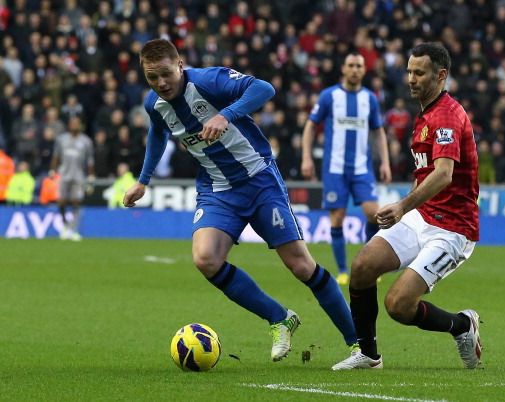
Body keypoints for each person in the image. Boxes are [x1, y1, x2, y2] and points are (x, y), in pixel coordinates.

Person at [123, 39, 357, 364]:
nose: (161, 84)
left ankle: (358, 344)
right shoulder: (155, 104)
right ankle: (280, 318)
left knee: (302, 266)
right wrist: (143, 180)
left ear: (179, 65)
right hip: (217, 189)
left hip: (259, 179)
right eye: (152, 77)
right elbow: (158, 132)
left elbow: (265, 88)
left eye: (165, 74)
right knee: (206, 259)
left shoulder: (208, 81)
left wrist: (226, 115)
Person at [332, 43, 481, 370]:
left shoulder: (447, 115)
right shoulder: (425, 113)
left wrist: (401, 206)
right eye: (409, 71)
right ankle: (369, 355)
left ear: (440, 75)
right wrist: (407, 209)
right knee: (362, 267)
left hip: (453, 229)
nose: (411, 79)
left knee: (398, 305)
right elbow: (426, 175)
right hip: (423, 217)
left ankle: (462, 325)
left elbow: (443, 175)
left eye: (419, 72)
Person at [301, 52, 391, 285]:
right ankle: (342, 270)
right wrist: (306, 158)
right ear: (343, 69)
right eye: (350, 65)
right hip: (334, 169)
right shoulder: (329, 96)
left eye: (358, 66)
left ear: (363, 70)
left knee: (374, 213)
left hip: (362, 168)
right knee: (337, 217)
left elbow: (379, 131)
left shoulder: (369, 99)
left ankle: (369, 263)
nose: (354, 69)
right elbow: (311, 126)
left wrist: (385, 162)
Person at [50, 115, 95, 241]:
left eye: (76, 123)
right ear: (69, 125)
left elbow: (90, 161)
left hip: (78, 175)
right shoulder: (61, 139)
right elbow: (56, 156)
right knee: (61, 202)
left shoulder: (86, 141)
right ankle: (65, 225)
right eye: (72, 123)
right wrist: (52, 170)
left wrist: (91, 176)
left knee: (76, 201)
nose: (74, 125)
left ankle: (73, 229)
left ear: (80, 125)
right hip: (63, 174)